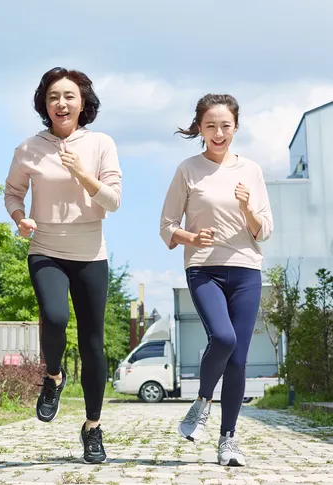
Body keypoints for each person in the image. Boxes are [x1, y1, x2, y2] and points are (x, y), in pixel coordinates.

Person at [4, 67, 122, 464]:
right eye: (54, 96)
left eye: (69, 96)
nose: (61, 103)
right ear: (44, 103)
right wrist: (19, 217)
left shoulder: (101, 143)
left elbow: (113, 200)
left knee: (93, 343)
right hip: (46, 247)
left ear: (83, 102)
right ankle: (53, 376)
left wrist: (83, 174)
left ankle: (92, 426)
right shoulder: (28, 148)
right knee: (54, 318)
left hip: (90, 252)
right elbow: (12, 192)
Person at [159, 93, 273, 467]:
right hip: (204, 268)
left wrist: (247, 207)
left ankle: (228, 440)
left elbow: (263, 230)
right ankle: (203, 400)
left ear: (235, 127)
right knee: (223, 338)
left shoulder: (251, 171)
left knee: (238, 358)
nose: (219, 133)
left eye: (225, 126)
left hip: (246, 269)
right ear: (200, 129)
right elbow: (167, 226)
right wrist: (192, 238)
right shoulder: (188, 169)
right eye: (211, 126)